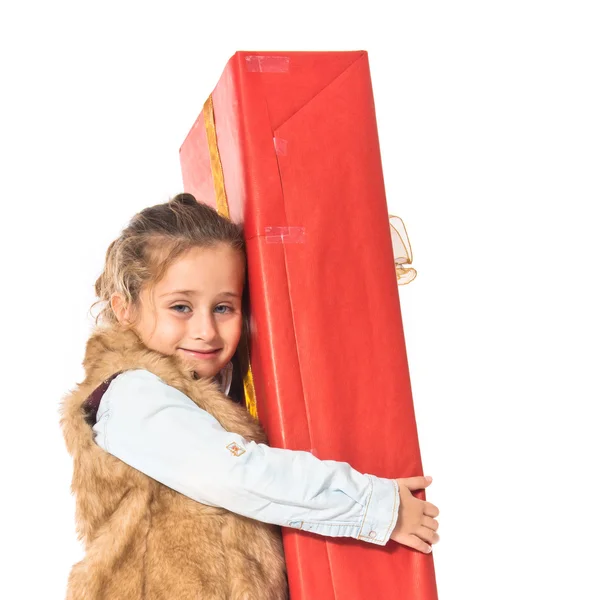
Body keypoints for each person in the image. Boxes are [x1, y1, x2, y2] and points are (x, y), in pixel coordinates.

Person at [60, 193, 440, 600]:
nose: (206, 329)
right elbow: (237, 475)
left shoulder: (210, 392)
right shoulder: (133, 395)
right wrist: (376, 507)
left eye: (224, 307)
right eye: (181, 307)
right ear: (125, 309)